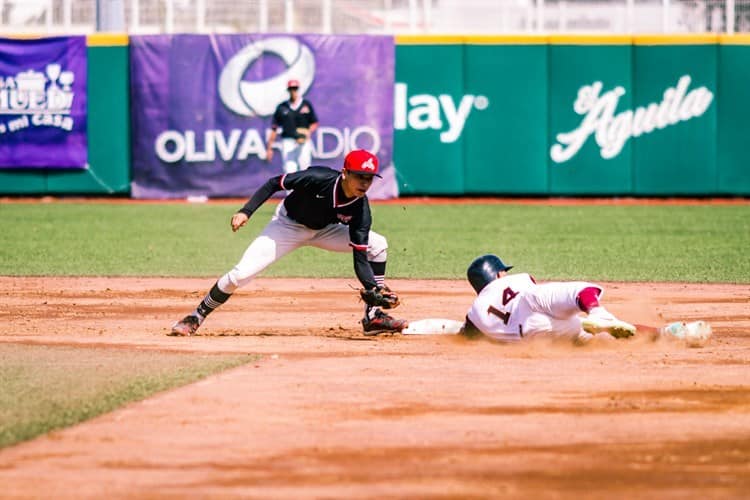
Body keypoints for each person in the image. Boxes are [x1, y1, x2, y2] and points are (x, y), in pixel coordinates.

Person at [170, 149, 407, 337]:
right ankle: (196, 316)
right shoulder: (318, 178)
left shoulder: (361, 209)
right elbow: (274, 183)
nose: (364, 183)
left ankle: (373, 316)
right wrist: (246, 211)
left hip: (326, 230)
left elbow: (360, 257)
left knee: (378, 244)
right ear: (345, 173)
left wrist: (373, 288)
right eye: (359, 176)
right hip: (287, 225)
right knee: (240, 275)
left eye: (369, 178)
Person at [459, 254, 712, 346]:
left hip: (530, 335)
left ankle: (668, 333)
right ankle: (670, 332)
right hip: (531, 301)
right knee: (581, 293)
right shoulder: (518, 280)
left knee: (590, 335)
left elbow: (466, 336)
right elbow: (532, 285)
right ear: (498, 273)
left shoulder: (476, 311)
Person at [265, 79, 319, 174]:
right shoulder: (282, 107)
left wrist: (308, 132)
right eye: (291, 88)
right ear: (288, 90)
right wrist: (269, 148)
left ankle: (305, 189)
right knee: (289, 169)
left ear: (298, 89)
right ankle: (291, 189)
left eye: (295, 88)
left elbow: (314, 123)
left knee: (305, 168)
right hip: (288, 140)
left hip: (303, 141)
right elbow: (274, 128)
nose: (293, 91)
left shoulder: (306, 105)